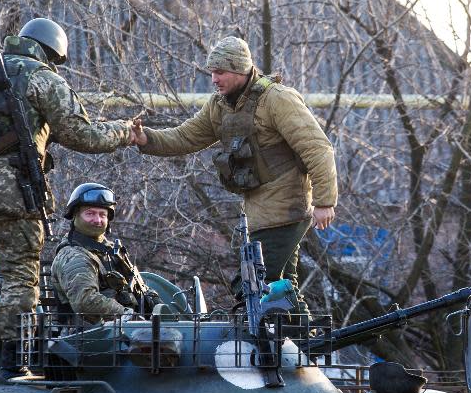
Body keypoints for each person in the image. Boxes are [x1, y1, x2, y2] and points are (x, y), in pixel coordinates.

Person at [0, 18, 136, 377]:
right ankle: (15, 363)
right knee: (20, 279)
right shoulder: (44, 78)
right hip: (15, 195)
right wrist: (125, 131)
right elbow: (83, 135)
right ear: (53, 51)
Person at [131, 36, 338, 324]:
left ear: (240, 70)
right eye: (212, 72)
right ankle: (302, 344)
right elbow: (186, 136)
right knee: (277, 283)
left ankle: (298, 342)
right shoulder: (220, 106)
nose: (214, 79)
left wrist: (325, 202)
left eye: (221, 72)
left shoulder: (277, 99)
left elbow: (317, 147)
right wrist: (146, 138)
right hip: (259, 212)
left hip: (286, 208)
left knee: (258, 286)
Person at [50, 183, 162, 324]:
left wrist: (158, 307)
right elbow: (85, 301)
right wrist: (129, 316)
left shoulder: (109, 250)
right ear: (75, 215)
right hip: (91, 337)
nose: (97, 220)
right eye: (90, 213)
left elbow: (139, 288)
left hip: (122, 331)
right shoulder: (73, 255)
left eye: (102, 214)